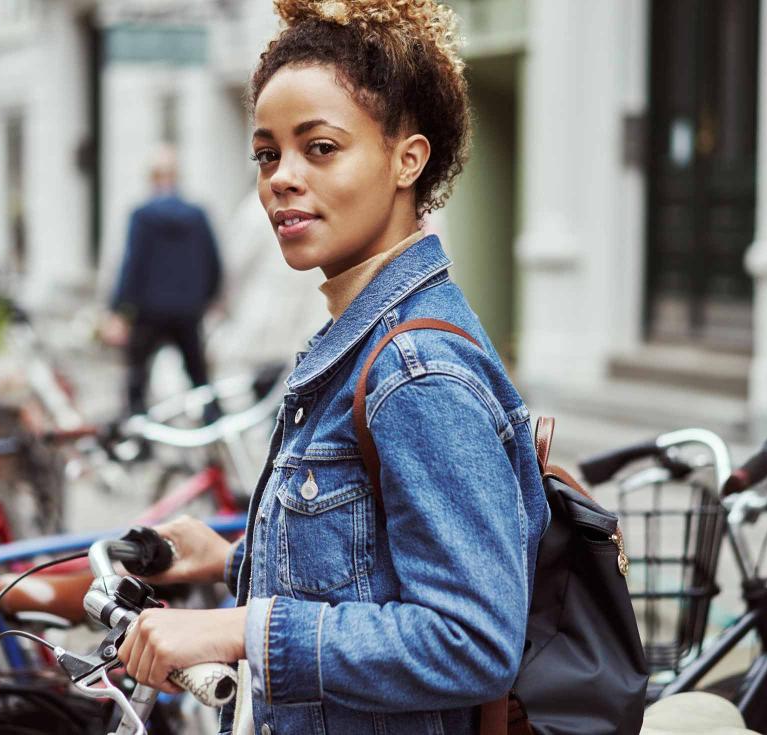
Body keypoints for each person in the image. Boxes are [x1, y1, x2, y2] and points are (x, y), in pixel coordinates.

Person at [114, 2, 551, 733]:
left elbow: (473, 641)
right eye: (266, 154)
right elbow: (370, 558)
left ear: (408, 159)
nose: (282, 178)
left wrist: (238, 627)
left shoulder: (415, 369)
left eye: (319, 148)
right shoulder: (363, 339)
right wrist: (230, 561)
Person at [109, 146, 223, 416]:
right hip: (187, 311)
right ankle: (214, 428)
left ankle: (138, 438)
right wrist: (207, 298)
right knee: (198, 376)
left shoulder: (142, 215)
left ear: (152, 177)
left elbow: (133, 263)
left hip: (149, 312)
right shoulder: (196, 215)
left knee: (137, 379)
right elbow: (213, 261)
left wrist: (118, 309)